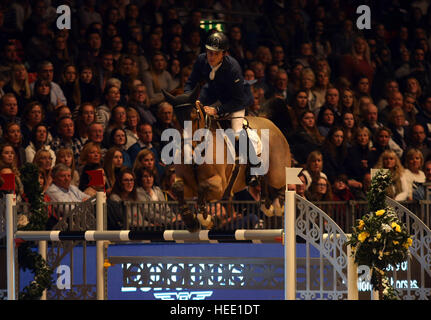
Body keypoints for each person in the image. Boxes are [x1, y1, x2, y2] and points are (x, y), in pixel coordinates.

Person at [184, 32, 259, 186]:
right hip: (213, 94)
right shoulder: (201, 60)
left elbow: (238, 100)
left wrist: (217, 111)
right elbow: (191, 82)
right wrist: (188, 99)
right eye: (209, 53)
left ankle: (254, 168)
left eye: (215, 54)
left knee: (237, 131)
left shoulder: (233, 68)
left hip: (235, 100)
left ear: (224, 54)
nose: (211, 57)